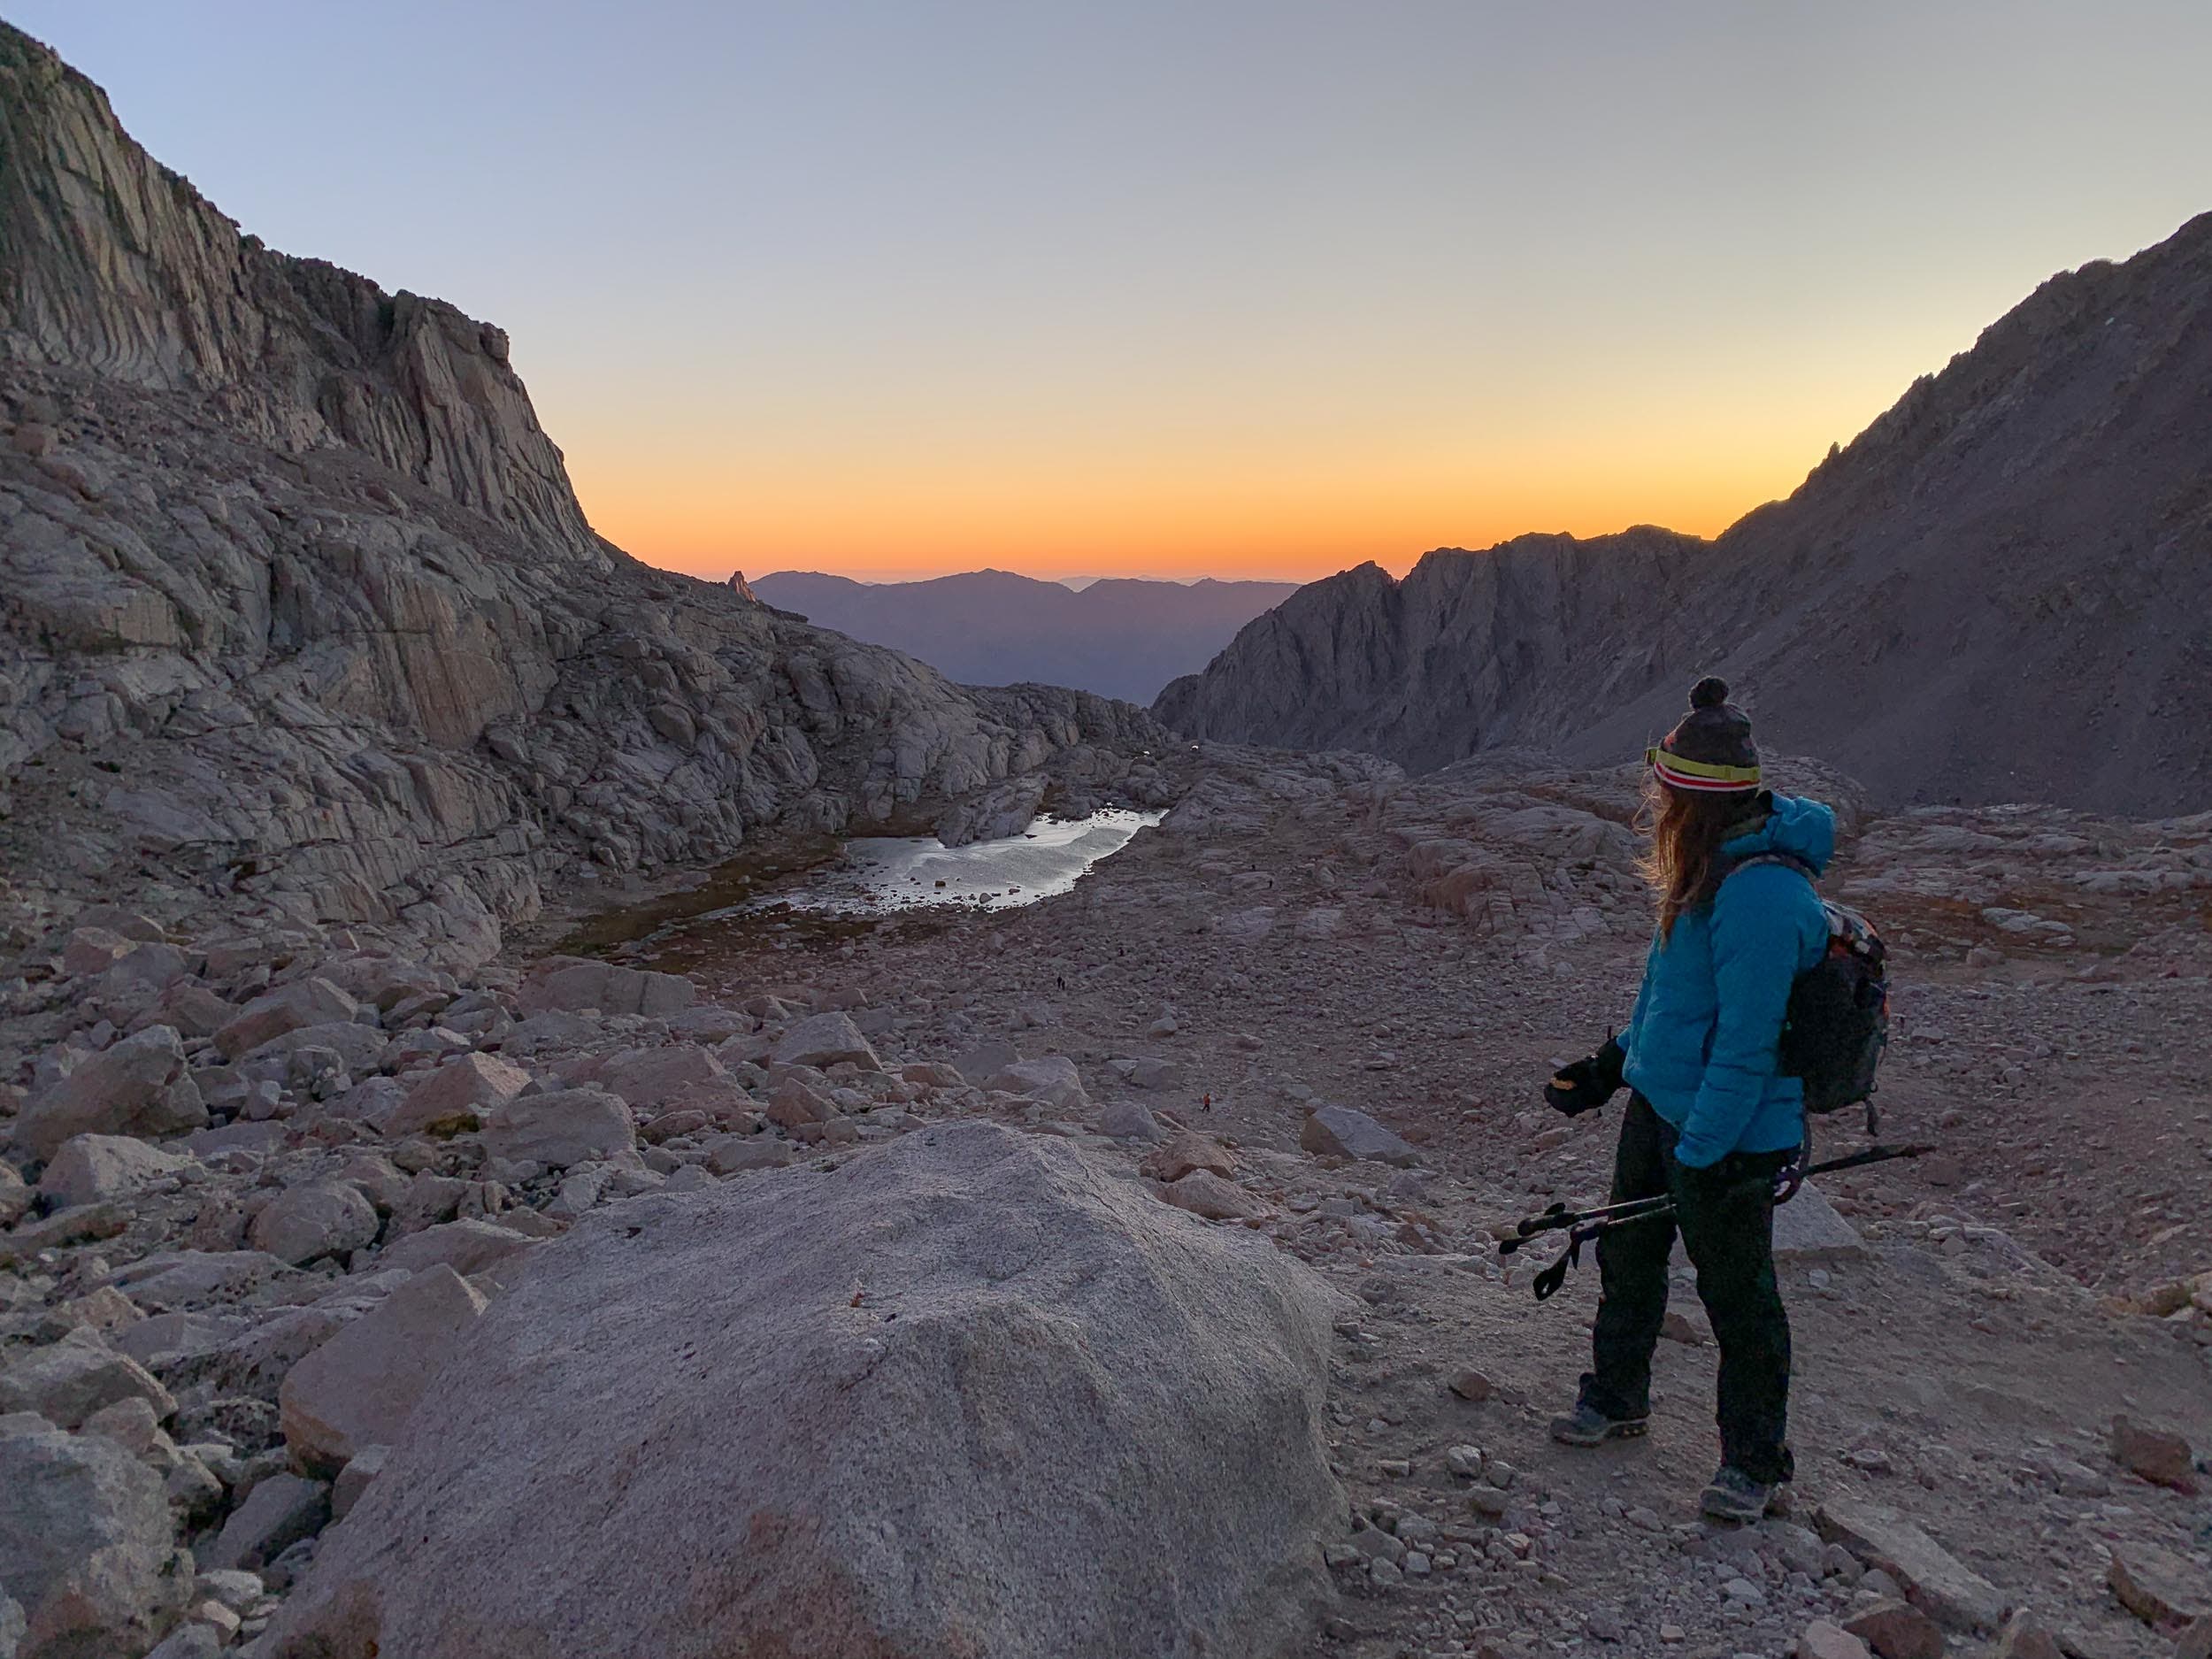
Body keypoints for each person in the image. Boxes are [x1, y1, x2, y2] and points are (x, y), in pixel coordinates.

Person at [1540, 676, 1835, 1523]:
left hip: (1730, 1133)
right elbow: (1668, 1003)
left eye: (1664, 792)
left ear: (1691, 800)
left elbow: (1746, 1046)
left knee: (1737, 1295)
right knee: (1628, 1258)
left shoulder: (1762, 896)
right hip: (1664, 1110)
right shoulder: (1701, 873)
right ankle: (1617, 1397)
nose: (1655, 804)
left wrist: (1701, 1155)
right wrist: (1609, 1068)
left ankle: (1755, 1459)